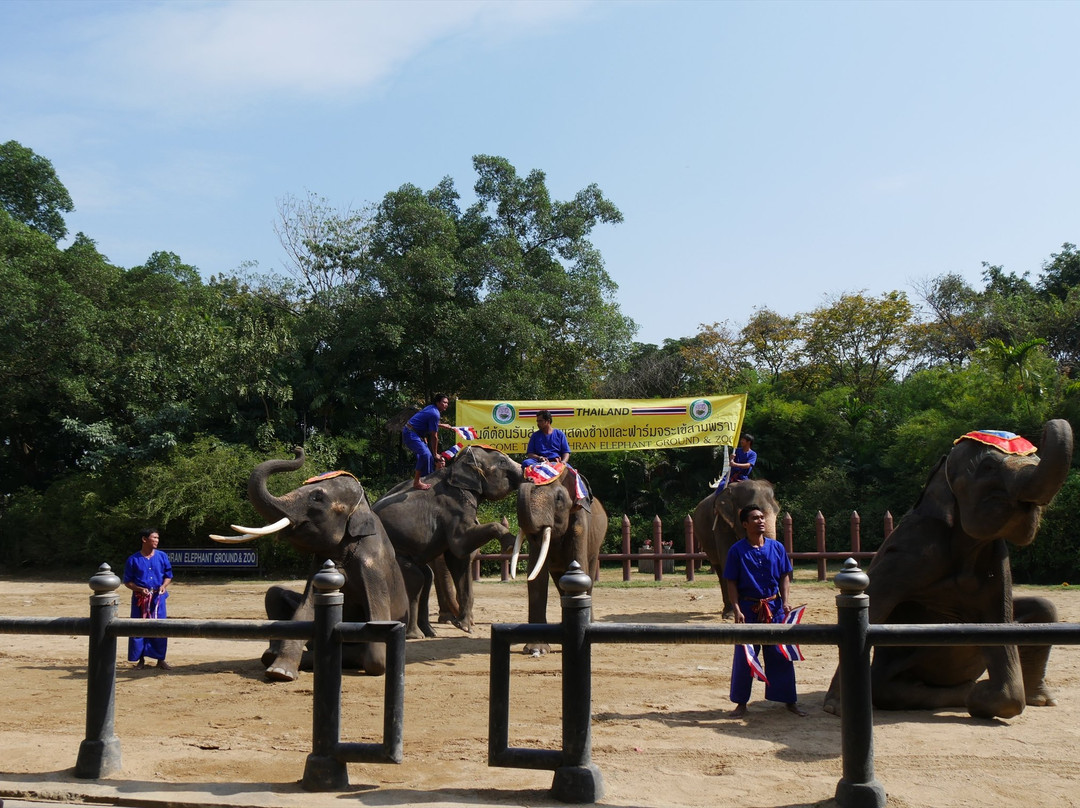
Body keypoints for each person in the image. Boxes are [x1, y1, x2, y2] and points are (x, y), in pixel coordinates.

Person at [723, 504, 806, 718]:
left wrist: (786, 601)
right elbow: (731, 582)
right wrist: (737, 609)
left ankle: (789, 700)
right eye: (755, 518)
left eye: (762, 517)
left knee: (780, 654)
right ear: (745, 524)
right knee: (745, 656)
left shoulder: (777, 548)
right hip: (749, 610)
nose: (761, 521)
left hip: (774, 608)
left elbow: (784, 576)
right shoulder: (736, 551)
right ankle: (741, 703)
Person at [123, 528, 174, 670]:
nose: (157, 541)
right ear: (144, 539)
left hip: (158, 599)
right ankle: (140, 659)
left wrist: (164, 586)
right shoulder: (133, 559)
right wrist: (140, 589)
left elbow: (168, 575)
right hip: (140, 600)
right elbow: (128, 582)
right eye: (154, 538)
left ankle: (160, 659)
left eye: (158, 538)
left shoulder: (162, 556)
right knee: (138, 628)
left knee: (160, 627)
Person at [403, 393, 454, 490]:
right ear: (438, 403)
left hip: (416, 433)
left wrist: (442, 425)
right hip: (411, 433)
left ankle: (426, 479)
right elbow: (434, 436)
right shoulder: (435, 413)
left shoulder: (432, 409)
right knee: (426, 455)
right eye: (444, 402)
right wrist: (435, 454)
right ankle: (417, 482)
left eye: (447, 403)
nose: (446, 404)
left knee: (429, 458)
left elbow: (427, 422)